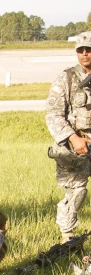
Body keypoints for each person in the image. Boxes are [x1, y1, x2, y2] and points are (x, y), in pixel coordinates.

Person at [46, 31, 91, 243]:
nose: (85, 54)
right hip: (76, 146)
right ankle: (67, 238)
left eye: (89, 50)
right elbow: (53, 115)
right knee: (76, 192)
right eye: (80, 50)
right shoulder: (66, 78)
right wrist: (74, 138)